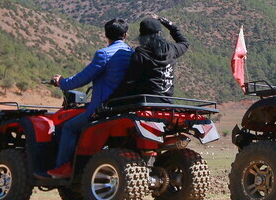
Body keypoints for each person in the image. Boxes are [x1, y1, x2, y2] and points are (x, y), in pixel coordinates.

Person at [47, 18, 132, 178]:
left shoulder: (104, 54)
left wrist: (62, 82)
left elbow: (83, 78)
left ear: (106, 35)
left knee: (68, 127)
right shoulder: (132, 54)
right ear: (125, 35)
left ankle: (64, 167)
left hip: (103, 109)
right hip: (125, 107)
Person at [111, 14, 189, 99]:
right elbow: (184, 42)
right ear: (159, 33)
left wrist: (111, 99)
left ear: (141, 36)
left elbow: (129, 82)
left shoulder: (140, 54)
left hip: (145, 101)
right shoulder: (172, 50)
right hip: (167, 102)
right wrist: (165, 22)